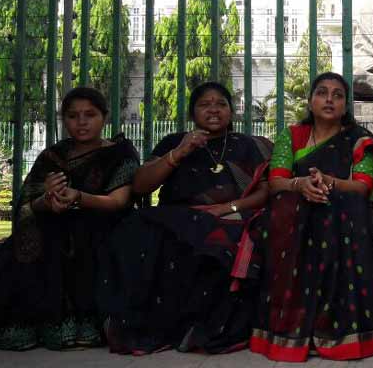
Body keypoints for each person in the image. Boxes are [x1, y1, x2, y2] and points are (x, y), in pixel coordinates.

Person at [97, 82, 271, 355]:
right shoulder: (174, 142)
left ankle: (206, 327)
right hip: (178, 216)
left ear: (231, 112)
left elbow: (265, 192)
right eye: (204, 104)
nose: (213, 109)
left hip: (233, 215)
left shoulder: (248, 146)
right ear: (192, 114)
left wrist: (228, 207)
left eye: (221, 104)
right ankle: (154, 325)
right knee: (137, 229)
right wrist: (178, 153)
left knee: (216, 240)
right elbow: (141, 185)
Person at [242, 72, 373, 362]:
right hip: (294, 210)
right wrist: (299, 184)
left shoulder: (359, 140)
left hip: (342, 212)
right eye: (323, 93)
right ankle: (294, 329)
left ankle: (339, 331)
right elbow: (276, 182)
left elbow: (363, 187)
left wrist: (329, 181)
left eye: (338, 95)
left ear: (345, 105)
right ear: (310, 101)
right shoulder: (292, 136)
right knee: (296, 209)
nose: (330, 99)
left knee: (333, 210)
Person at [0, 87, 139, 350]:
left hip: (104, 226)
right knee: (33, 239)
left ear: (105, 118)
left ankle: (82, 324)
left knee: (76, 236)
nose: (81, 122)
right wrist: (48, 199)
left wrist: (78, 197)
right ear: (63, 119)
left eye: (90, 114)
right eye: (73, 116)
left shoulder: (120, 154)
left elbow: (118, 201)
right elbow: (28, 203)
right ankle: (35, 324)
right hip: (55, 224)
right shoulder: (52, 156)